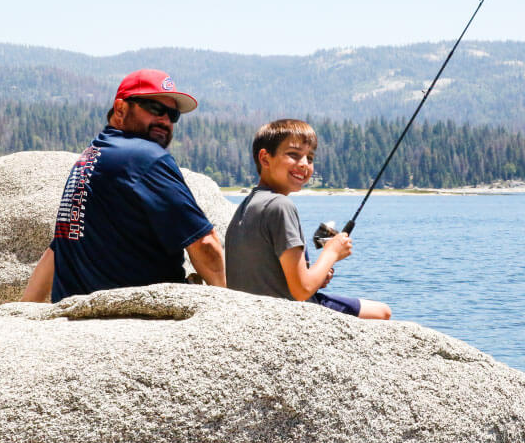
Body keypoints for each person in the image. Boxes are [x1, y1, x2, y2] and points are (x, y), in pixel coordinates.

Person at [21, 69, 225, 302]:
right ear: (120, 109)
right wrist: (225, 307)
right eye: (155, 108)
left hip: (74, 319)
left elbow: (60, 245)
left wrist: (26, 310)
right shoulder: (146, 157)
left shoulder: (89, 159)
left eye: (173, 114)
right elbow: (205, 244)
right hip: (137, 319)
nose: (165, 120)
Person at [225, 119, 391, 320]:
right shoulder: (281, 206)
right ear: (265, 158)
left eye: (310, 158)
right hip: (288, 314)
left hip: (254, 313)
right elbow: (302, 290)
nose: (304, 164)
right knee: (382, 312)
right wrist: (331, 253)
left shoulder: (247, 204)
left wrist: (317, 274)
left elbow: (267, 276)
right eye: (293, 155)